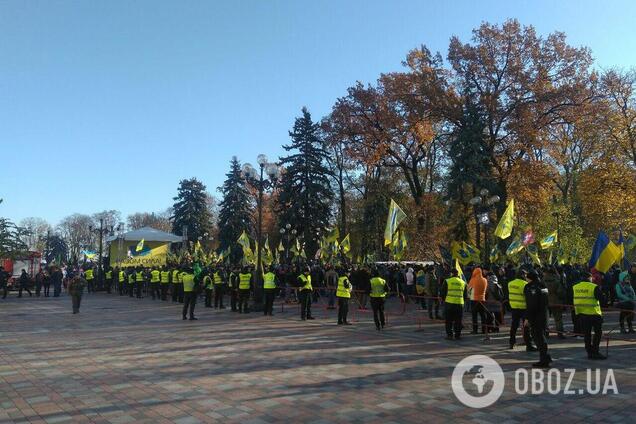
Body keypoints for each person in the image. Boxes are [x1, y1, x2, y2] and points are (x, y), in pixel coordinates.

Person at [573, 271, 606, 359]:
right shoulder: (593, 287)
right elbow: (602, 300)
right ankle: (595, 351)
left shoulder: (575, 287)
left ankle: (589, 352)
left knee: (587, 335)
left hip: (582, 314)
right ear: (590, 278)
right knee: (598, 333)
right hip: (594, 313)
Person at [525, 270, 553, 368]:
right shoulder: (543, 285)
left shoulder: (530, 287)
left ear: (529, 278)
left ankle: (544, 359)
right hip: (544, 315)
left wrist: (528, 318)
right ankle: (545, 357)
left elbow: (531, 304)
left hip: (535, 316)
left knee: (538, 337)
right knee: (541, 337)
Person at [507, 270, 536, 351]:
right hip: (523, 308)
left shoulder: (510, 283)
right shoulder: (525, 284)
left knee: (514, 326)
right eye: (526, 275)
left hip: (514, 307)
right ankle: (528, 345)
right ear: (523, 275)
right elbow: (528, 296)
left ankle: (511, 343)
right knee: (526, 327)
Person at [441, 268, 466, 340]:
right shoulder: (463, 282)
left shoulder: (447, 281)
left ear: (451, 273)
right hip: (459, 304)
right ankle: (457, 335)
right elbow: (465, 295)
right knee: (458, 320)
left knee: (449, 320)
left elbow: (443, 293)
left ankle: (449, 335)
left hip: (449, 303)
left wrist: (443, 300)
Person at [544, 266, 567, 339]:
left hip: (546, 301)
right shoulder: (557, 280)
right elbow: (560, 292)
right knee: (558, 319)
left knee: (546, 319)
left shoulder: (542, 280)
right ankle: (560, 333)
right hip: (556, 301)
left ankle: (545, 333)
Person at [468, 267, 490, 334]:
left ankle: (475, 330)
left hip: (474, 300)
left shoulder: (472, 280)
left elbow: (469, 292)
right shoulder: (485, 280)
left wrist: (470, 297)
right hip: (482, 299)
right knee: (483, 315)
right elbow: (486, 290)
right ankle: (484, 330)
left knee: (474, 316)